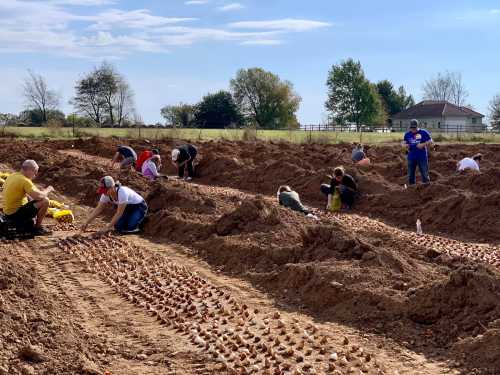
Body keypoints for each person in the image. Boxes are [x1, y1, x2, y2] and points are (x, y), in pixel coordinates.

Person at [2, 160, 54, 235]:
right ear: (29, 170)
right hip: (14, 214)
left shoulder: (13, 175)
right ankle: (37, 228)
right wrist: (48, 189)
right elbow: (39, 196)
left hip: (8, 211)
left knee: (30, 197)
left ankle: (31, 221)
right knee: (45, 201)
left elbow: (31, 194)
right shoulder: (24, 180)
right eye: (35, 172)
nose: (35, 175)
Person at [82, 176, 147, 234]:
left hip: (138, 206)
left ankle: (142, 220)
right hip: (126, 208)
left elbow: (119, 213)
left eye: (105, 190)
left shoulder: (122, 192)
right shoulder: (105, 195)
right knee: (118, 226)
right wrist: (86, 222)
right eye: (103, 191)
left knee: (130, 226)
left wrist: (107, 227)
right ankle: (131, 218)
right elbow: (99, 208)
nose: (104, 193)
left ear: (112, 187)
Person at [403, 119, 432, 185]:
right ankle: (411, 188)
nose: (413, 129)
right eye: (412, 128)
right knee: (410, 175)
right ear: (410, 127)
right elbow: (404, 143)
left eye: (414, 128)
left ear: (417, 126)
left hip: (422, 157)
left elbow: (431, 141)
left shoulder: (423, 132)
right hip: (411, 157)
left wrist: (423, 144)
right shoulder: (407, 134)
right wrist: (404, 145)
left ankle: (427, 187)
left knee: (425, 174)